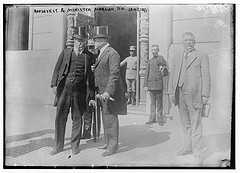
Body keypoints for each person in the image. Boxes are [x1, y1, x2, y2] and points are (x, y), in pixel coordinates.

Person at [167, 32, 211, 165]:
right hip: (180, 95)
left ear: (194, 42)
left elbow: (206, 76)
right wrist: (170, 92)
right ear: (182, 42)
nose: (188, 42)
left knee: (196, 124)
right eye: (186, 40)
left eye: (191, 40)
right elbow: (172, 74)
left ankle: (197, 153)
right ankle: (187, 148)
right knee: (185, 123)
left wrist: (205, 95)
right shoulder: (176, 56)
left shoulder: (202, 56)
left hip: (195, 95)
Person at [50, 27, 95, 155]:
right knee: (60, 118)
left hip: (79, 92)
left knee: (77, 119)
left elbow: (91, 78)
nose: (81, 43)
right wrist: (54, 84)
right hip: (64, 90)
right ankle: (58, 146)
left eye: (83, 41)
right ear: (74, 40)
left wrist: (91, 95)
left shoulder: (88, 57)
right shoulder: (65, 53)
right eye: (79, 41)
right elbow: (57, 69)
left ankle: (75, 145)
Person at [93, 26, 127, 157]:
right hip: (103, 92)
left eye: (95, 40)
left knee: (111, 119)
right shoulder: (102, 52)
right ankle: (107, 142)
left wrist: (108, 92)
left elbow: (114, 74)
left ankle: (112, 146)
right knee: (105, 117)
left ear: (102, 40)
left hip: (109, 93)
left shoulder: (112, 53)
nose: (94, 43)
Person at [144, 45, 168, 126]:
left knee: (159, 103)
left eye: (155, 50)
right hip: (151, 84)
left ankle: (160, 119)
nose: (153, 51)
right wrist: (145, 85)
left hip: (158, 84)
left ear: (158, 50)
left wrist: (159, 58)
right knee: (152, 103)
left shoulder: (160, 58)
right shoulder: (150, 61)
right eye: (152, 50)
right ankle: (152, 119)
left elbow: (164, 64)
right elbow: (146, 73)